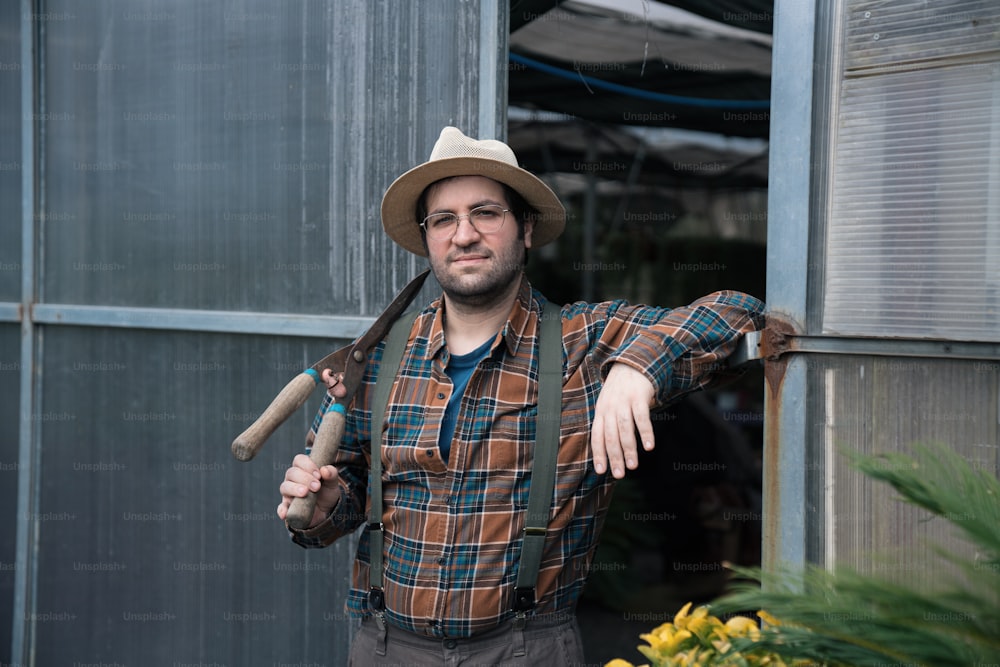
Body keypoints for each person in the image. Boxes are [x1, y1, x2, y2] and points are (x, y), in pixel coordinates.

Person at [277, 126, 766, 665]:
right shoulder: (375, 358)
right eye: (444, 219)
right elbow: (341, 495)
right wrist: (325, 506)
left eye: (485, 212)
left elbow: (738, 310)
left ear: (525, 228)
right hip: (388, 647)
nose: (463, 235)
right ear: (428, 237)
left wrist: (637, 368)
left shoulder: (585, 344)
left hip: (526, 650)